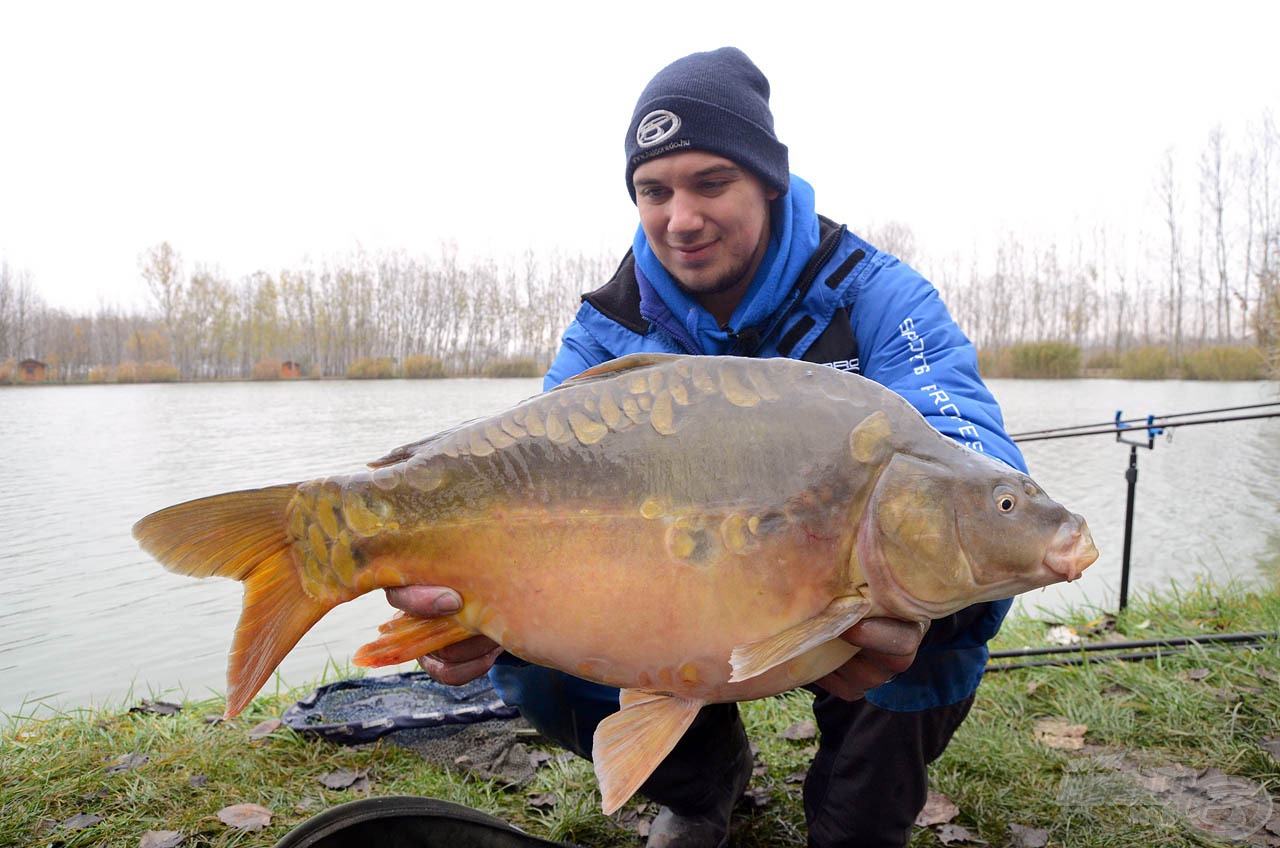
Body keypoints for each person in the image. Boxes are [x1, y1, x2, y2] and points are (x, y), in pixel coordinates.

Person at [388, 47, 1028, 848]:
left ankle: (853, 817)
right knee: (531, 655)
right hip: (676, 599)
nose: (679, 218)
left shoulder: (876, 296)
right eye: (654, 191)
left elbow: (974, 460)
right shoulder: (609, 329)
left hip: (839, 600)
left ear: (769, 180)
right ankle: (701, 787)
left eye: (710, 182)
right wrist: (462, 593)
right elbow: (521, 484)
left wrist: (932, 611)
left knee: (951, 588)